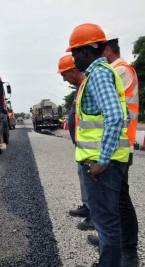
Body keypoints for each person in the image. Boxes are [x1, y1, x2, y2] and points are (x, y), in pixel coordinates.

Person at [67, 23, 130, 267]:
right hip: (103, 161)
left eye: (74, 53)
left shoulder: (99, 75)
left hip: (102, 165)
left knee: (106, 222)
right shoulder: (98, 74)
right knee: (106, 221)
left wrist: (102, 162)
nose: (72, 59)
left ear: (85, 51)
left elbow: (114, 116)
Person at [86, 30, 140, 267]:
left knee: (120, 200)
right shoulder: (112, 71)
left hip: (119, 145)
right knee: (114, 200)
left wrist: (104, 157)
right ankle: (113, 243)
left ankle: (129, 252)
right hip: (115, 143)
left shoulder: (118, 70)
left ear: (106, 50)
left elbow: (115, 114)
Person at [57, 54, 94, 231]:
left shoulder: (88, 85)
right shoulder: (80, 88)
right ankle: (89, 208)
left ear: (72, 70)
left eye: (64, 75)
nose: (64, 79)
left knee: (93, 183)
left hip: (92, 148)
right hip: (83, 146)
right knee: (84, 178)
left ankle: (96, 217)